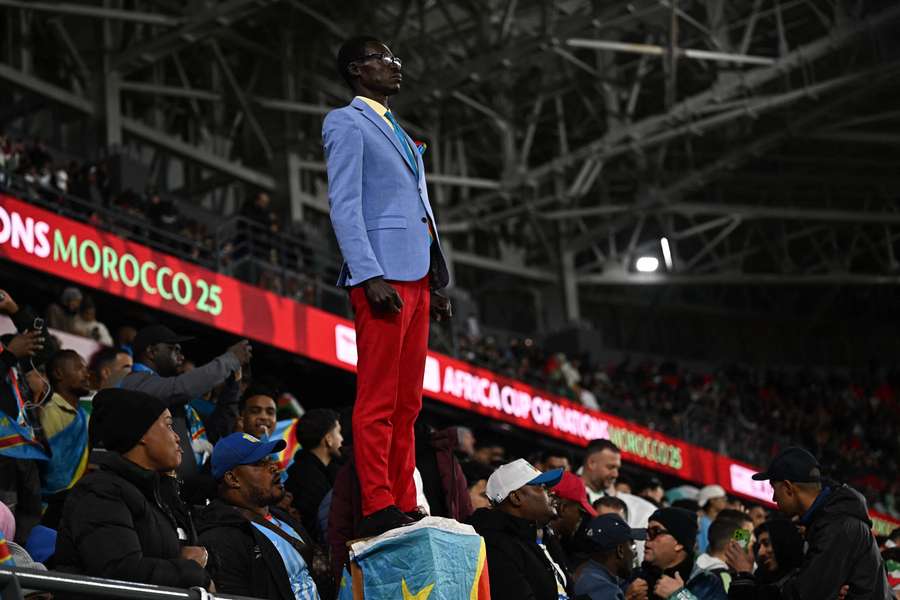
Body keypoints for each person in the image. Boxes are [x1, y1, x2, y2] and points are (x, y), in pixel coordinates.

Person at [324, 35, 451, 537]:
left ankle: (402, 496)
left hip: (415, 275)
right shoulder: (345, 122)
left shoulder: (394, 127)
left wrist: (432, 275)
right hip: (380, 276)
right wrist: (367, 272)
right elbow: (345, 203)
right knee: (378, 398)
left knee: (409, 402)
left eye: (396, 57)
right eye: (382, 58)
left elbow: (416, 207)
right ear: (357, 70)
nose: (395, 65)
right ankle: (377, 501)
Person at [55, 388, 212, 590]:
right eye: (169, 426)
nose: (177, 437)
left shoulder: (159, 494)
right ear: (142, 433)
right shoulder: (100, 491)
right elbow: (120, 571)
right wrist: (193, 574)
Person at [748, 446, 893, 599]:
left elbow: (806, 594)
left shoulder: (837, 525)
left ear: (788, 488)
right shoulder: (829, 520)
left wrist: (750, 590)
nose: (774, 498)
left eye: (773, 489)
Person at [120, 324, 251, 481]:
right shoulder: (135, 383)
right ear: (152, 352)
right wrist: (229, 360)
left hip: (183, 491)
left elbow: (217, 432)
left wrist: (233, 386)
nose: (181, 357)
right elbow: (182, 387)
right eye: (173, 349)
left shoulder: (168, 394)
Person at [197, 432, 320, 600]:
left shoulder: (282, 517)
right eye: (260, 463)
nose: (274, 467)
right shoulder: (221, 539)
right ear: (233, 479)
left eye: (269, 459)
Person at [468, 459, 564, 600]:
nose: (551, 492)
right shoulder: (493, 544)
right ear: (516, 497)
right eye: (541, 487)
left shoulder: (543, 538)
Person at [0, 290, 47, 544]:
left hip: (26, 449)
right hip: (3, 452)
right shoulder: (9, 353)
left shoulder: (10, 347)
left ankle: (26, 575)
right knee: (5, 522)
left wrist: (15, 309)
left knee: (28, 529)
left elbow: (44, 345)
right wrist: (8, 356)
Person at [39, 350, 91, 527]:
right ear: (58, 373)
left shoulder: (84, 416)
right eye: (79, 368)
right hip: (47, 510)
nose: (87, 374)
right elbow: (49, 468)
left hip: (73, 507)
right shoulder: (49, 410)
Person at [627, 507, 726, 600]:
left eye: (655, 532)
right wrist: (626, 597)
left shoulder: (706, 583)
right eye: (647, 532)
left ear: (679, 543)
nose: (647, 538)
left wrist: (678, 596)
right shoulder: (633, 577)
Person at [285, 409, 342, 542]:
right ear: (328, 439)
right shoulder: (308, 478)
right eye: (338, 432)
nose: (342, 439)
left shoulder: (307, 470)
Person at [725, 519, 804, 599]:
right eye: (759, 546)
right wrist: (739, 577)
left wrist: (744, 576)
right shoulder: (761, 578)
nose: (760, 553)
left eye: (766, 543)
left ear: (783, 542)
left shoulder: (803, 580)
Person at [575, 514, 645, 600]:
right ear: (620, 550)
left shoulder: (583, 575)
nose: (634, 553)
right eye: (631, 545)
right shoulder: (606, 591)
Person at [695, 510, 754, 594]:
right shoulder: (725, 578)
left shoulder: (695, 566)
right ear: (732, 544)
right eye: (747, 535)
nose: (752, 540)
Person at [696, 485, 728, 554]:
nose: (725, 501)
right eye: (722, 498)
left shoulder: (721, 523)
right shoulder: (701, 522)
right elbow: (701, 549)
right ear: (712, 501)